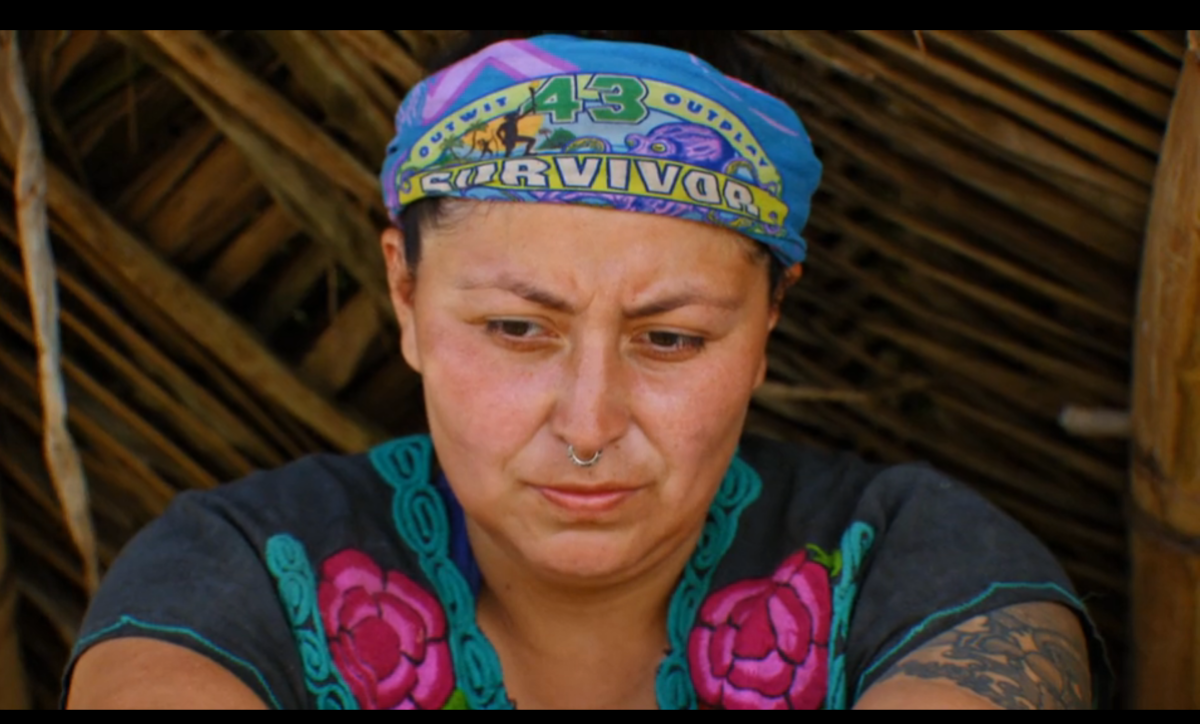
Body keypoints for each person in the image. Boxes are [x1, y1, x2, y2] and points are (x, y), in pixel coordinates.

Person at [64, 33, 1109, 710]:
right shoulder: (227, 579)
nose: (590, 421)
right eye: (518, 328)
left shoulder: (928, 574)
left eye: (672, 338)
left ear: (769, 321)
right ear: (406, 296)